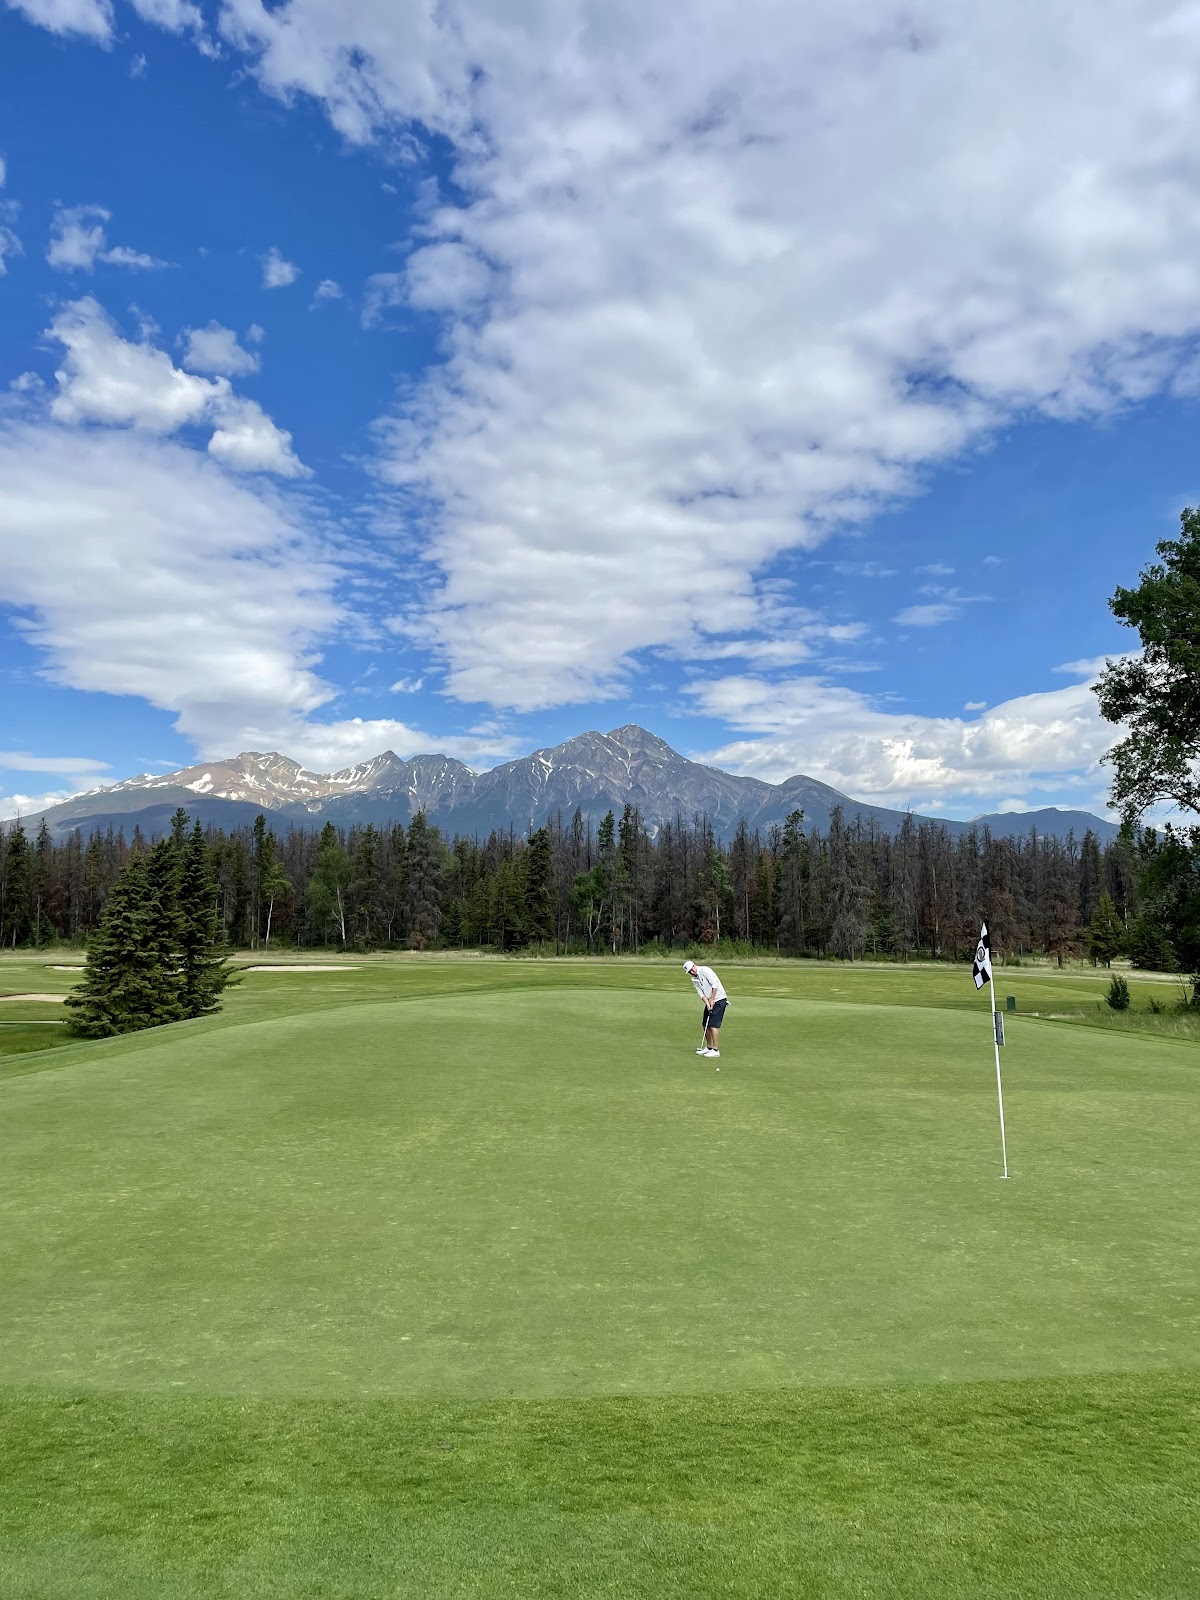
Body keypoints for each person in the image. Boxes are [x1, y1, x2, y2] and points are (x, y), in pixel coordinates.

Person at [683, 959, 729, 1058]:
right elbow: (700, 993)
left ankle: (716, 1050)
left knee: (713, 1025)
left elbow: (715, 984)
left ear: (694, 965)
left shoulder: (705, 970)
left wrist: (712, 999)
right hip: (710, 1000)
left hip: (720, 999)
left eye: (692, 969)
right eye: (690, 972)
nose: (692, 972)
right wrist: (707, 1003)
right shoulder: (694, 979)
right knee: (705, 1024)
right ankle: (709, 1047)